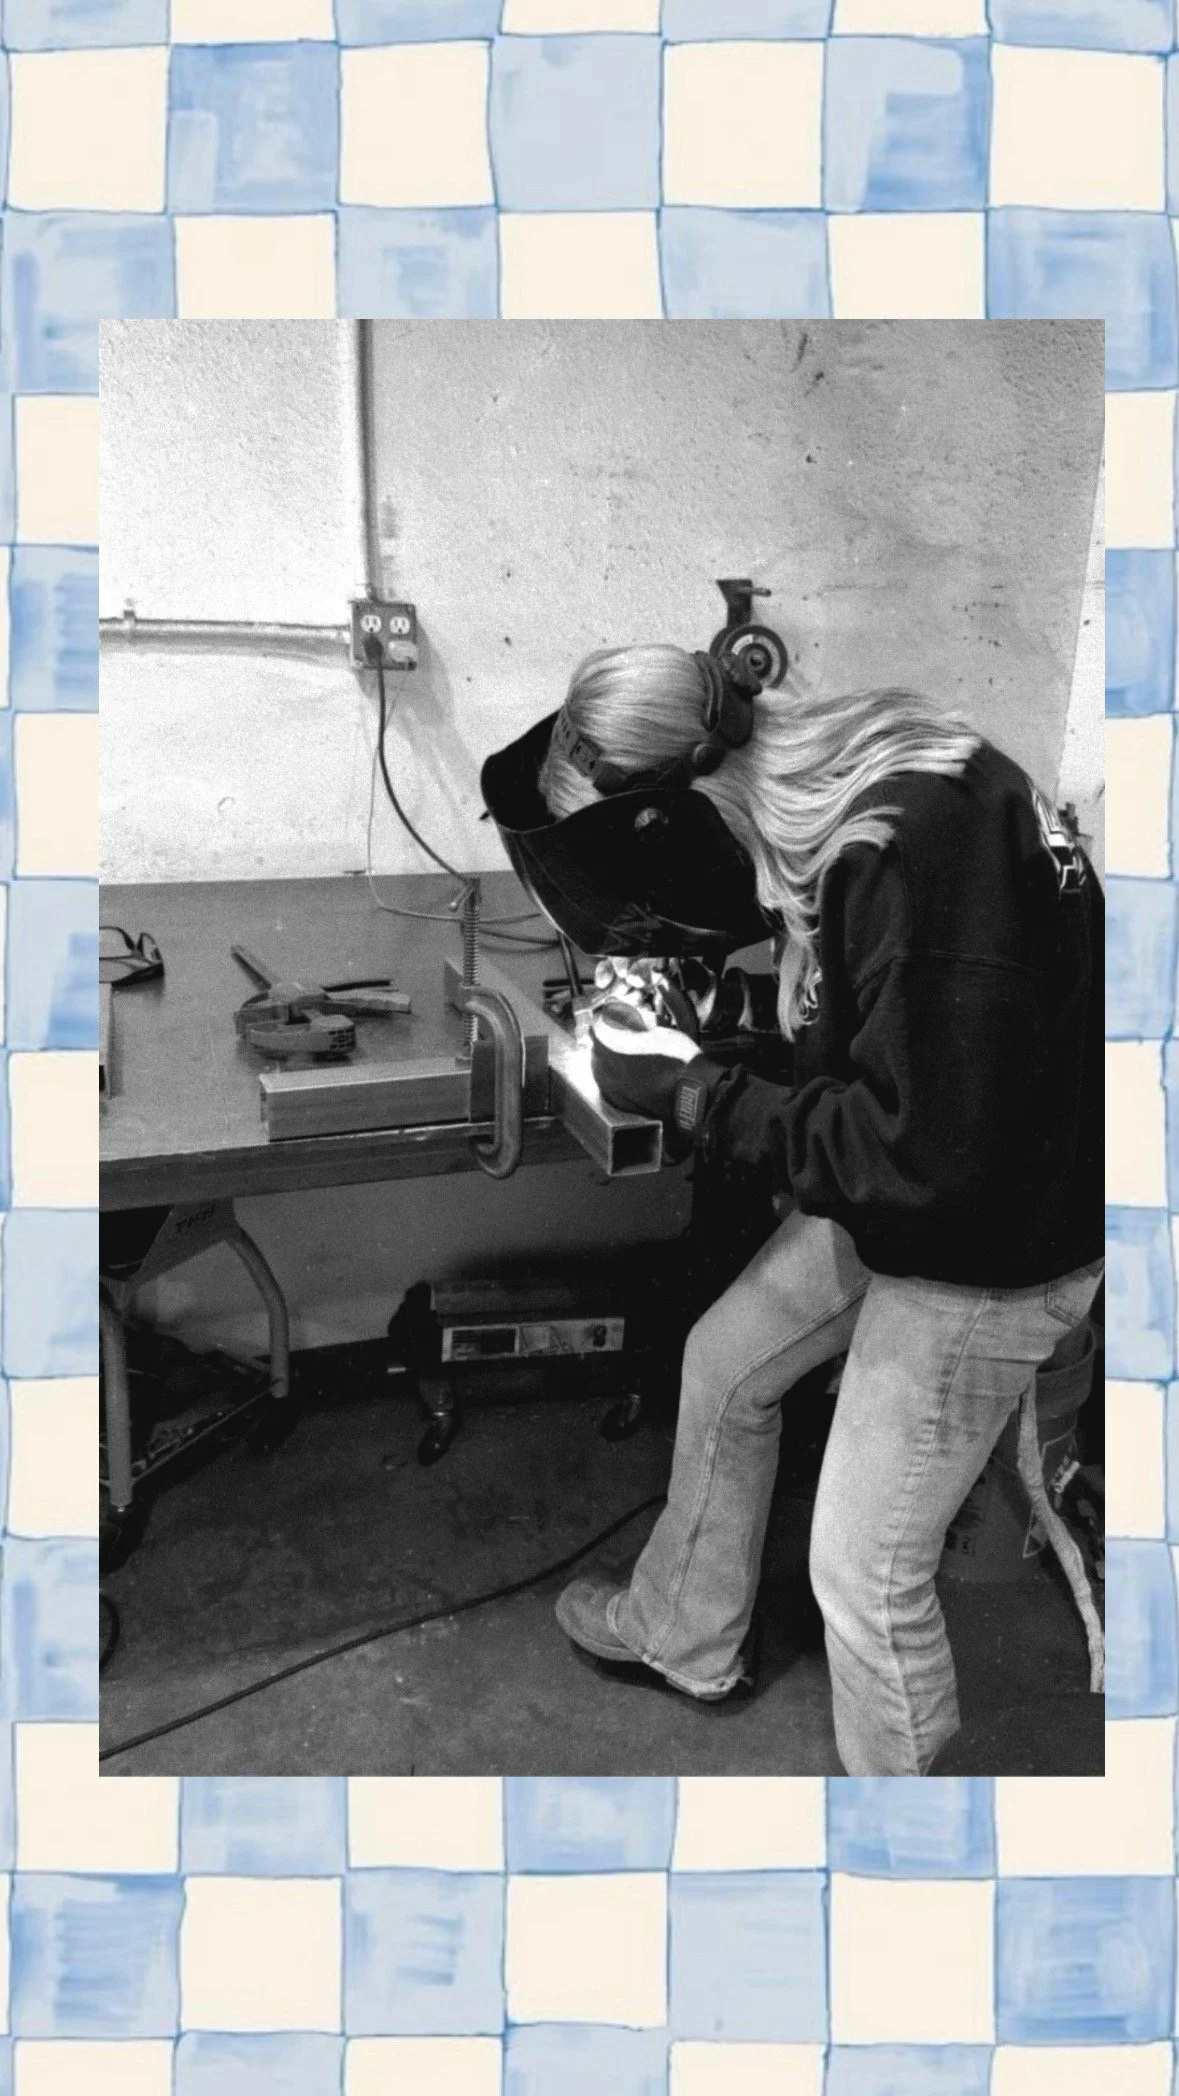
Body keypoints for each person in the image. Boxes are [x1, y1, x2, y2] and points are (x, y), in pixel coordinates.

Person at [541, 643, 1103, 1777]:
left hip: (994, 1248)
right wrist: (727, 1013)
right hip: (947, 1191)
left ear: (678, 811)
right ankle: (680, 1630)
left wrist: (692, 1088)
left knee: (863, 1574)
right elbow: (908, 1034)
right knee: (729, 1359)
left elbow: (916, 1153)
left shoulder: (903, 849)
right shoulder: (875, 776)